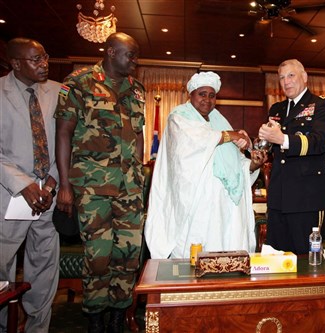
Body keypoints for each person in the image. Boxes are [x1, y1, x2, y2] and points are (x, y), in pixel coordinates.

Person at [54, 32, 145, 333]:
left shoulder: (137, 89)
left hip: (130, 188)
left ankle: (118, 316)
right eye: (129, 55)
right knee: (98, 257)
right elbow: (64, 133)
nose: (134, 61)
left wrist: (140, 175)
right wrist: (65, 184)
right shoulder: (78, 83)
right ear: (109, 52)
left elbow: (140, 136)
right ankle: (95, 317)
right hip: (93, 187)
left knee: (129, 256)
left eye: (135, 55)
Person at [145, 71, 266, 259]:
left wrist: (253, 165)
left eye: (212, 95)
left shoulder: (218, 119)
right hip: (197, 201)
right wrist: (230, 135)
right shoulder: (179, 116)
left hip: (225, 203)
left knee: (226, 252)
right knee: (196, 255)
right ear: (191, 94)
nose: (207, 100)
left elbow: (233, 162)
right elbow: (196, 141)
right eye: (202, 94)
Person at [0, 38, 60, 332]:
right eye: (35, 59)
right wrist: (23, 183)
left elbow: (68, 142)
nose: (44, 64)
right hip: (8, 197)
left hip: (48, 196)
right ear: (15, 64)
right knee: (3, 270)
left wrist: (53, 179)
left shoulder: (60, 92)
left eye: (45, 56)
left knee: (45, 268)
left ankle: (38, 327)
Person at [257, 59, 325, 255]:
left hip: (306, 196)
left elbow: (319, 142)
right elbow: (271, 149)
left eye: (291, 75)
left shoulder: (321, 104)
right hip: (279, 195)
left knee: (306, 258)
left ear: (304, 77)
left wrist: (282, 139)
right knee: (276, 257)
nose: (286, 82)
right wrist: (258, 145)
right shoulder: (277, 109)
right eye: (282, 78)